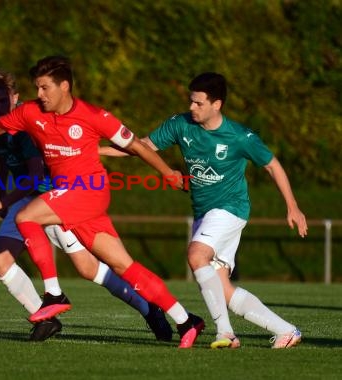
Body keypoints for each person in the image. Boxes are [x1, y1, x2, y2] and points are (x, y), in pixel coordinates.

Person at [0, 56, 204, 348]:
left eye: (45, 88)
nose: (40, 95)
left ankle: (54, 294)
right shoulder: (31, 113)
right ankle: (186, 319)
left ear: (65, 86)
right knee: (123, 266)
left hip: (89, 190)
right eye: (37, 88)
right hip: (67, 198)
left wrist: (169, 173)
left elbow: (135, 145)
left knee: (26, 217)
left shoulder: (94, 115)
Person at [103, 72, 306, 349]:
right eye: (191, 101)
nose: (191, 108)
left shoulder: (239, 136)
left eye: (198, 103)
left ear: (217, 104)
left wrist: (292, 206)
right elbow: (143, 146)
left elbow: (272, 165)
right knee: (223, 289)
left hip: (230, 209)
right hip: (204, 212)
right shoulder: (181, 124)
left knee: (196, 255)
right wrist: (96, 150)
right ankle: (286, 331)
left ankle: (225, 333)